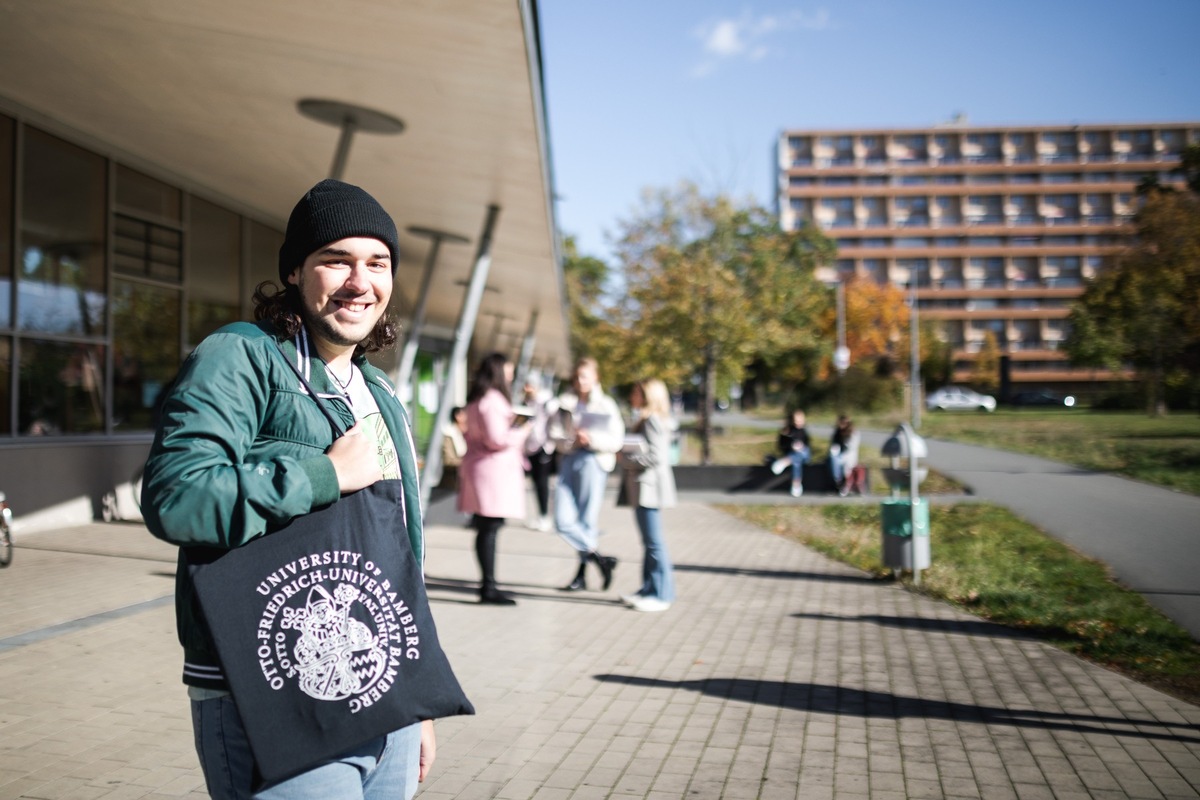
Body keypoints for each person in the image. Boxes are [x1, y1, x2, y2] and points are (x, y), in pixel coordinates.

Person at [140, 179, 435, 799]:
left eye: (377, 263)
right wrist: (324, 474)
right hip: (268, 691)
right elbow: (177, 496)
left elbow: (400, 555)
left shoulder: (381, 394)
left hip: (383, 695)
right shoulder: (239, 357)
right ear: (296, 272)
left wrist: (417, 689)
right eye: (337, 260)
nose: (361, 282)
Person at [456, 352, 531, 605]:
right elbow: (497, 439)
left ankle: (488, 584)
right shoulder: (493, 401)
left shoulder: (477, 400)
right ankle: (488, 586)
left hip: (481, 467)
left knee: (485, 527)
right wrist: (522, 431)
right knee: (489, 529)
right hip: (493, 471)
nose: (511, 375)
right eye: (509, 370)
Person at [550, 356, 625, 591]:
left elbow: (616, 440)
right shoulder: (564, 403)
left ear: (595, 378)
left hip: (593, 461)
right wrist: (571, 440)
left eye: (585, 376)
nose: (580, 381)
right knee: (562, 521)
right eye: (577, 376)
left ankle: (581, 574)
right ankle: (601, 559)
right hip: (569, 459)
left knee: (586, 521)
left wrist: (591, 439)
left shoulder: (605, 405)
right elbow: (554, 434)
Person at [618, 378, 677, 613]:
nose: (632, 395)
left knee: (654, 543)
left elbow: (656, 456)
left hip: (649, 488)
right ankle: (648, 589)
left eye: (636, 392)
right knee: (649, 542)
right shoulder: (645, 419)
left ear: (648, 396)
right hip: (642, 488)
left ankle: (662, 594)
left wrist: (626, 460)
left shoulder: (652, 420)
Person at [521, 373, 557, 532]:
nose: (526, 388)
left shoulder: (547, 401)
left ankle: (545, 516)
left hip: (544, 447)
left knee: (542, 483)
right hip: (529, 447)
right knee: (535, 483)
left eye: (529, 384)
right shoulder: (526, 402)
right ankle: (540, 515)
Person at [772, 407, 812, 497]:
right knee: (796, 462)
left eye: (801, 420)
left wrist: (801, 447)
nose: (799, 423)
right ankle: (796, 485)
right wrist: (791, 445)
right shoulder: (787, 431)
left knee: (801, 453)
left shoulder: (803, 431)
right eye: (797, 420)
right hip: (793, 455)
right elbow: (781, 446)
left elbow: (808, 444)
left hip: (805, 455)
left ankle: (785, 462)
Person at [828, 414, 861, 496]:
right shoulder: (837, 433)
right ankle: (838, 482)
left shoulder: (854, 433)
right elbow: (833, 445)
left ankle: (845, 485)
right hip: (839, 455)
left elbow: (852, 447)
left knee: (846, 465)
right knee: (833, 460)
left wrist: (845, 443)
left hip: (849, 456)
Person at [438, 405, 468, 489]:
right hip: (452, 483)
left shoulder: (466, 434)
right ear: (457, 416)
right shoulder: (449, 435)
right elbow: (448, 460)